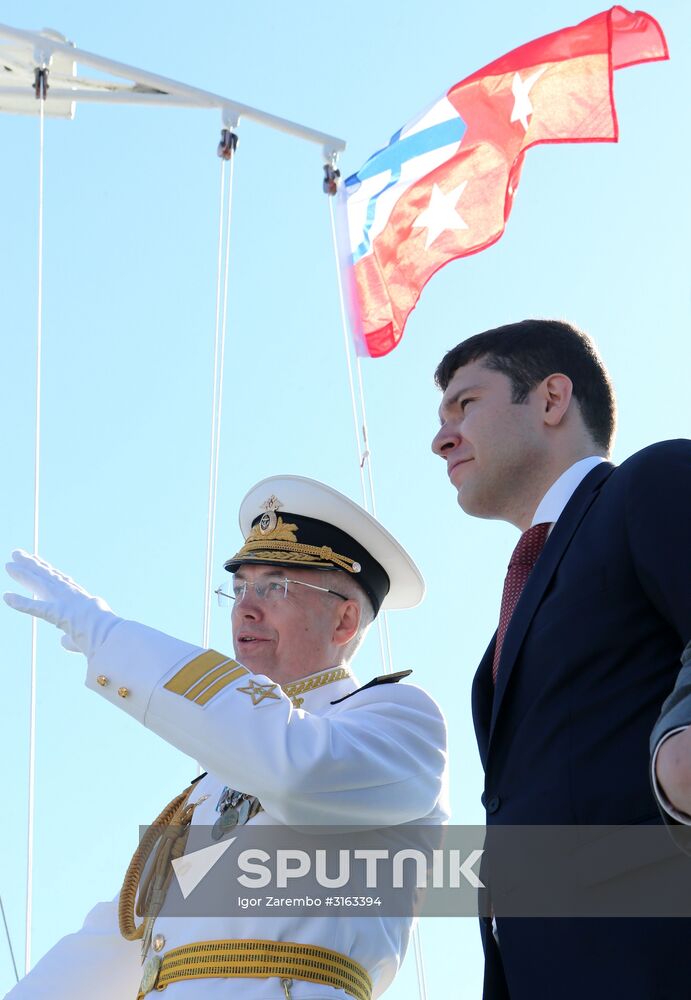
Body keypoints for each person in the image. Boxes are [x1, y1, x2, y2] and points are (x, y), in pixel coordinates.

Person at [3, 475, 449, 1000]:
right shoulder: (215, 782)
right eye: (239, 589)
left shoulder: (396, 719)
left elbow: (296, 769)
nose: (245, 607)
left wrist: (112, 640)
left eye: (275, 586)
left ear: (346, 619)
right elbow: (128, 932)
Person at [430, 319, 691, 1000]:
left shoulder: (652, 481)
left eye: (465, 404)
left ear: (549, 400)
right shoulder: (500, 637)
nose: (440, 437)